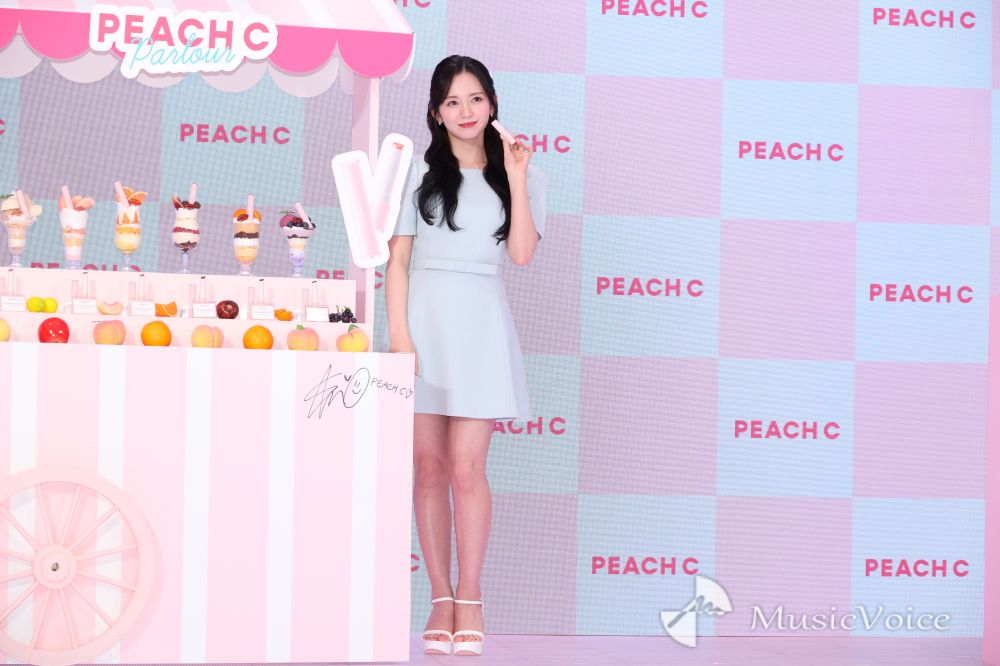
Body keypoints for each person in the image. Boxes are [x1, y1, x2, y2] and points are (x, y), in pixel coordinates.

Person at [385, 54, 547, 657]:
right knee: (427, 466)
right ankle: (439, 596)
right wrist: (400, 339)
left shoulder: (523, 173)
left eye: (475, 98)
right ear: (435, 112)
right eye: (452, 102)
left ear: (492, 104)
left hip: (481, 326)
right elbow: (397, 261)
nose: (465, 111)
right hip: (423, 324)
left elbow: (522, 254)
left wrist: (518, 175)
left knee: (466, 467)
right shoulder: (416, 175)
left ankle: (472, 595)